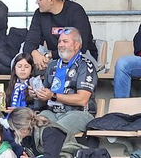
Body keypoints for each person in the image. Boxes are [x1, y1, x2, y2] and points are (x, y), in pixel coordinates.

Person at [29, 28, 96, 158]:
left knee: (53, 132)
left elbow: (82, 99)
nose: (60, 44)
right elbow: (45, 97)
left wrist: (53, 96)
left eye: (65, 41)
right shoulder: (53, 65)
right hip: (52, 111)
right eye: (59, 41)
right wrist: (37, 95)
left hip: (79, 113)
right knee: (36, 123)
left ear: (76, 45)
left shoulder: (86, 65)